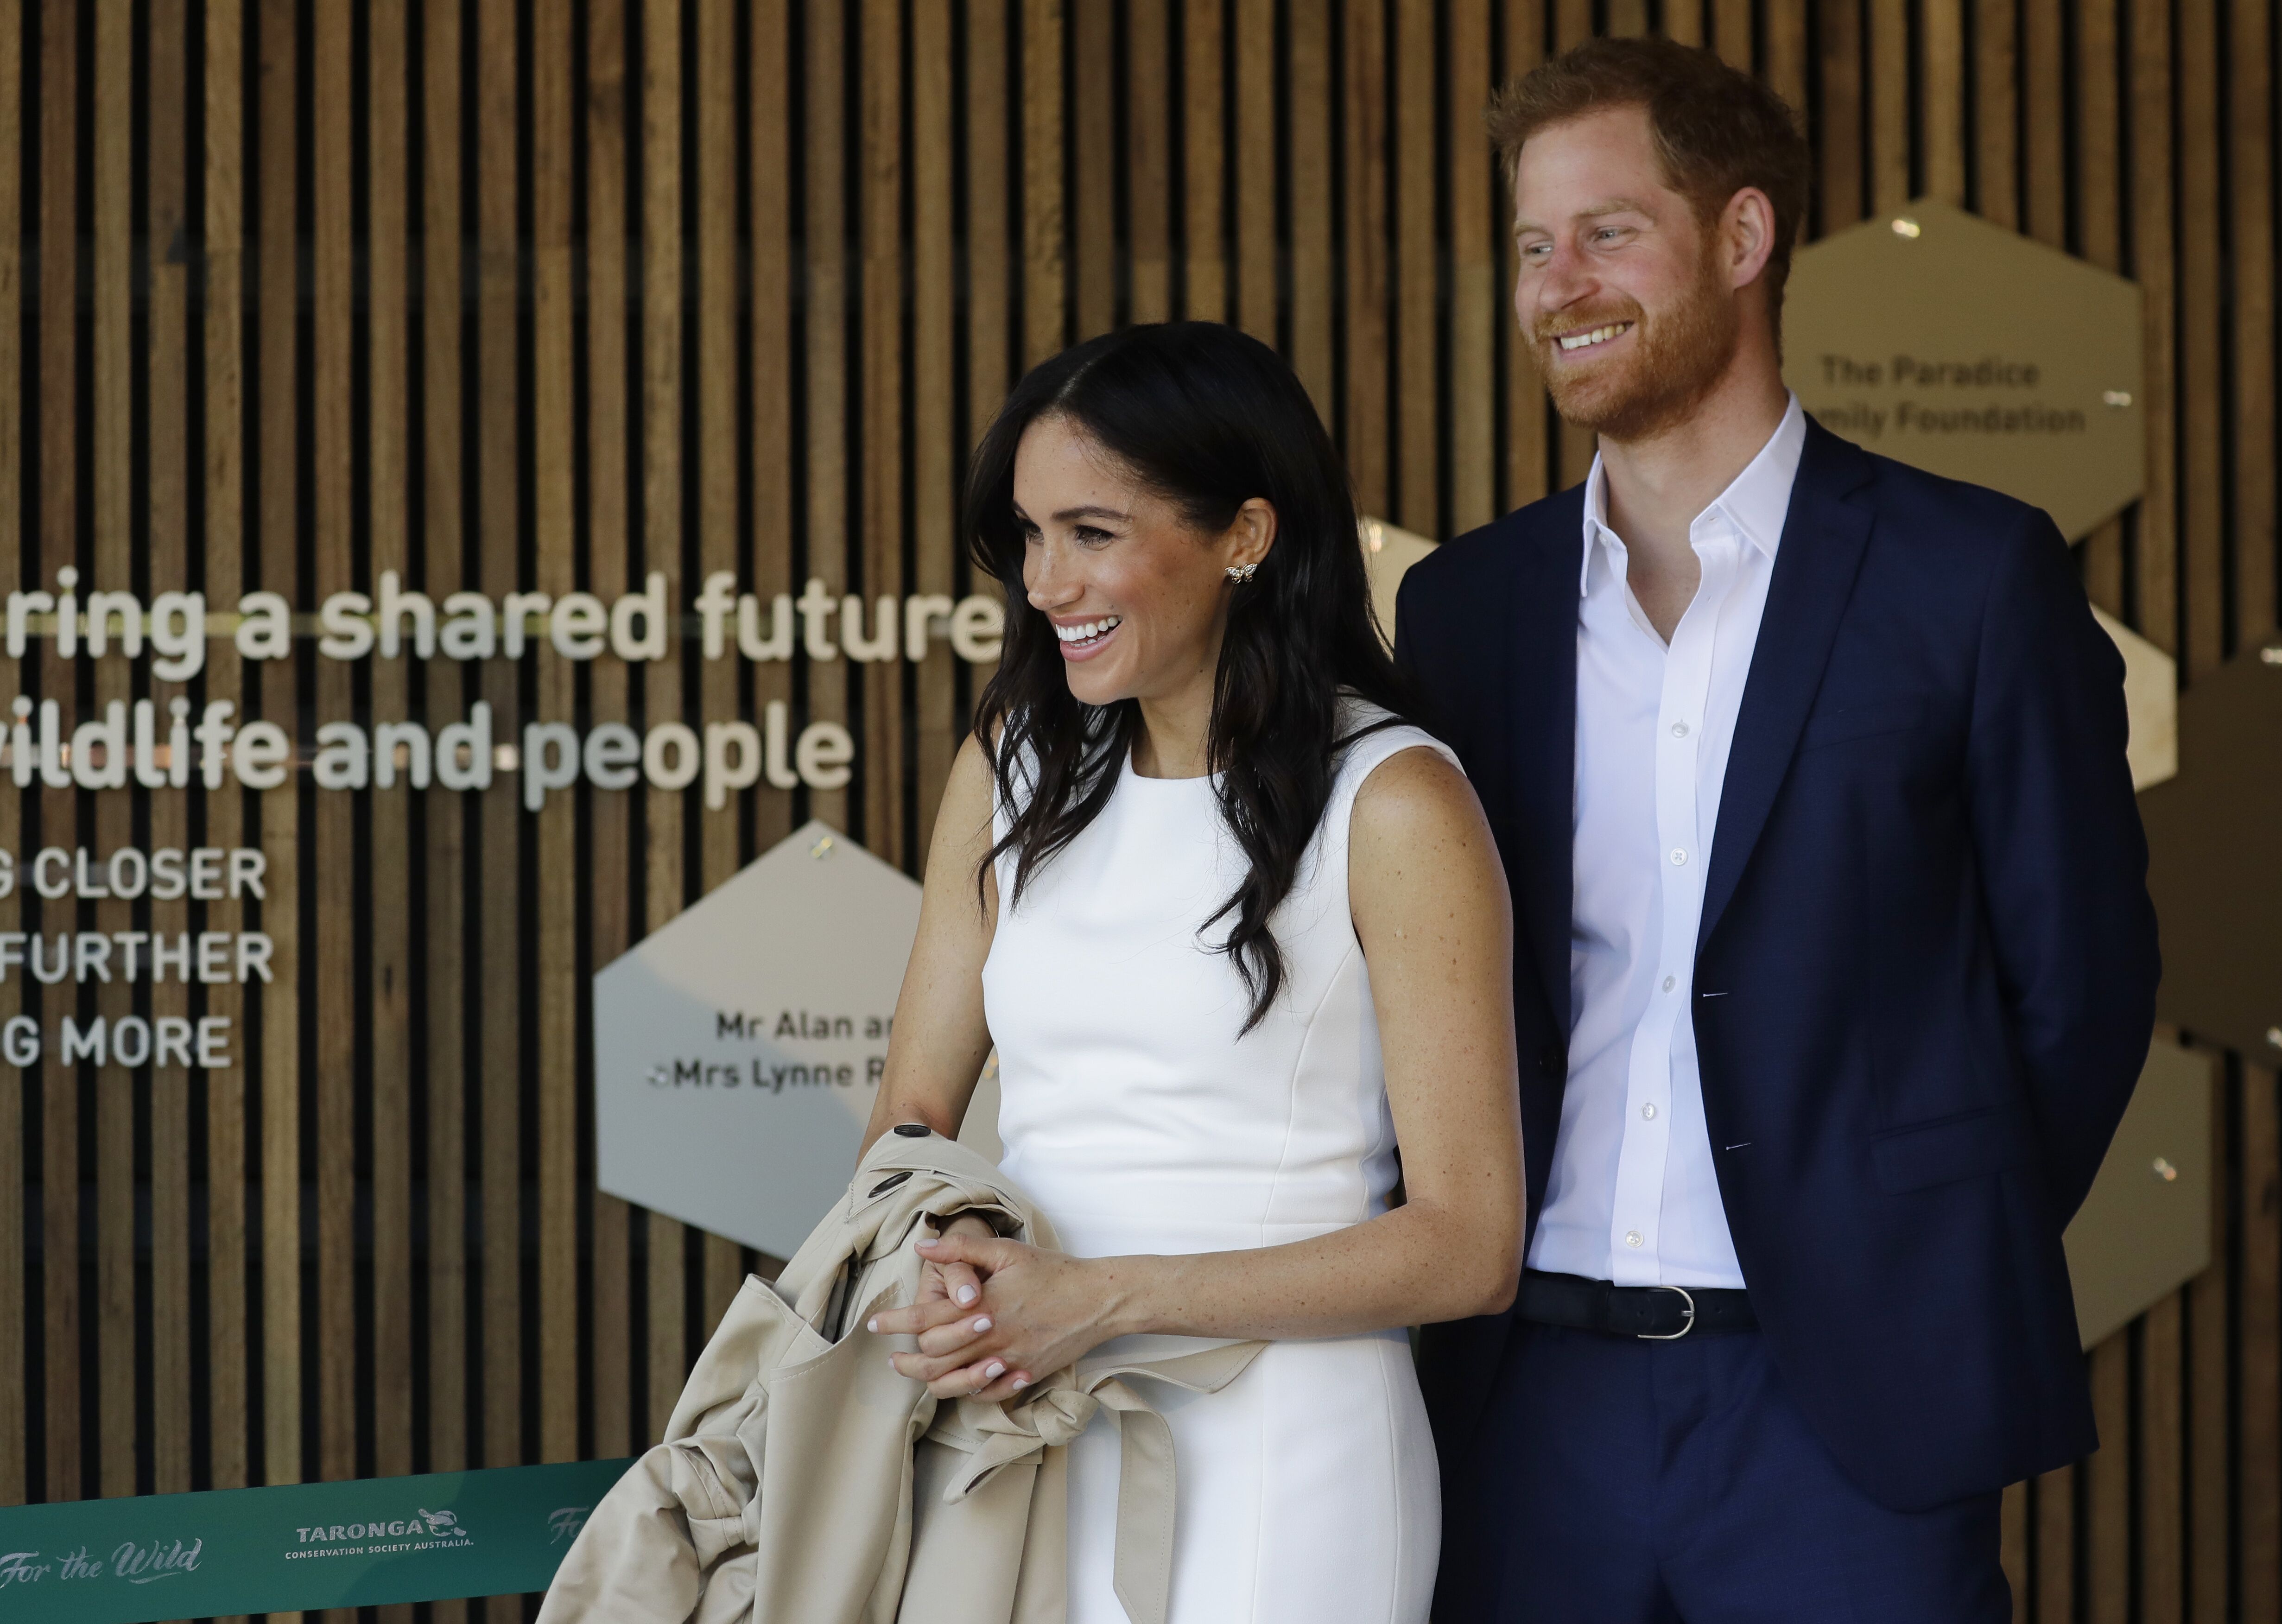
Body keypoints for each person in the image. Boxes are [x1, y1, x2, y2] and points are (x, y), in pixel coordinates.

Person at [1395, 37, 2162, 1624]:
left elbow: (2079, 988)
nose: (1556, 284)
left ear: (1742, 239)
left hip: (1848, 1416)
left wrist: (1913, 1257)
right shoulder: (1462, 613)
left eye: (1606, 230)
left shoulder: (1969, 577)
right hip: (1526, 1404)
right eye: (1532, 244)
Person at [859, 320, 1525, 1623]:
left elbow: (1467, 1247)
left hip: (1289, 1466)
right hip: (1023, 1436)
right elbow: (910, 1120)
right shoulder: (1011, 768)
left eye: (1092, 533)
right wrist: (949, 1253)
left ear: (1245, 536)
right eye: (1028, 535)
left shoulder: (1392, 801)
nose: (1047, 583)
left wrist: (1097, 1303)